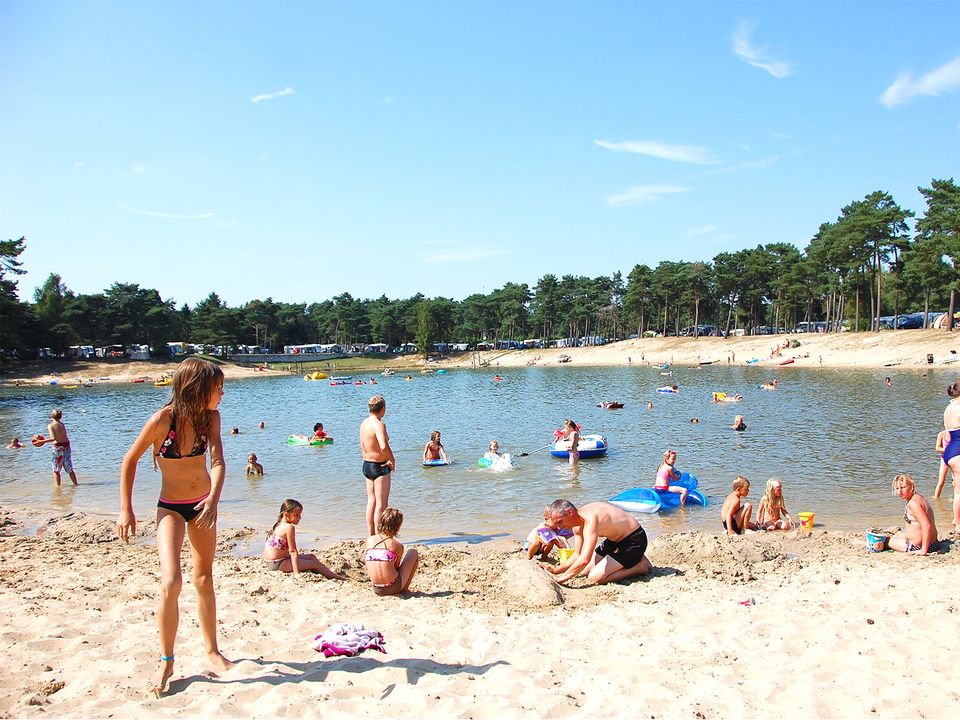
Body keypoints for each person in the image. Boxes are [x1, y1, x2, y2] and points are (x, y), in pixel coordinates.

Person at [115, 357, 233, 696]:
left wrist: (213, 499)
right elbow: (130, 460)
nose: (222, 393)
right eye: (218, 388)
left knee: (203, 577)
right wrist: (126, 510)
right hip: (169, 508)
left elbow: (218, 461)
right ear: (198, 389)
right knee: (171, 580)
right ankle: (167, 659)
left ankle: (212, 651)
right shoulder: (162, 420)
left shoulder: (211, 418)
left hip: (201, 506)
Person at [541, 499, 652, 585]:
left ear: (570, 512)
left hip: (634, 540)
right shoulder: (576, 525)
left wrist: (561, 578)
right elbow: (577, 555)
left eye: (560, 522)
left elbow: (584, 559)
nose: (560, 528)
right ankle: (634, 559)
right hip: (614, 541)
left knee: (594, 578)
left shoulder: (590, 520)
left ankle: (639, 567)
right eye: (557, 524)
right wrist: (556, 570)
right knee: (584, 571)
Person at [263, 499, 346, 577]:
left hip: (272, 563)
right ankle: (337, 577)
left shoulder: (278, 524)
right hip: (278, 564)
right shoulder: (289, 527)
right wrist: (296, 572)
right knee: (314, 564)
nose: (300, 518)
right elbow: (292, 551)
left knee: (311, 557)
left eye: (300, 515)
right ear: (286, 514)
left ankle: (328, 573)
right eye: (297, 515)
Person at [360, 395, 396, 537]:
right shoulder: (378, 424)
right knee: (381, 504)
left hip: (367, 464)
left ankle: (371, 535)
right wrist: (391, 460)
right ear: (383, 408)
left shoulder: (364, 423)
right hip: (380, 466)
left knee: (371, 501)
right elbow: (383, 446)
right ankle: (380, 535)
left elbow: (363, 444)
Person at [364, 507, 419, 596]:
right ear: (398, 527)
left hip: (376, 588)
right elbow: (396, 567)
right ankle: (405, 590)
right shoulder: (397, 546)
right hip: (393, 587)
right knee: (413, 553)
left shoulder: (369, 540)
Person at [888, 474, 937, 555]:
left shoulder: (913, 504)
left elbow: (926, 525)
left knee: (885, 541)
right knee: (897, 534)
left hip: (917, 547)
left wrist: (923, 550)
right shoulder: (919, 498)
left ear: (912, 486)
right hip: (933, 544)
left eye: (903, 487)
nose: (899, 492)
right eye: (897, 488)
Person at [34, 408, 78, 486]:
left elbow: (53, 438)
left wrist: (41, 441)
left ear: (51, 416)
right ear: (60, 417)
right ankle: (75, 484)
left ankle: (58, 487)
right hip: (67, 446)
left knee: (56, 469)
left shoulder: (50, 425)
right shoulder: (62, 424)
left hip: (58, 447)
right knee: (69, 468)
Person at [943, 381, 960, 531]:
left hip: (950, 450)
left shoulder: (948, 408)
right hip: (958, 449)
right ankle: (958, 524)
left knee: (957, 488)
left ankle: (956, 519)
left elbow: (947, 433)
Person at [934, 429, 950, 498]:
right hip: (944, 459)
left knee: (955, 482)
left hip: (955, 459)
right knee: (941, 482)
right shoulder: (941, 434)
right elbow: (937, 448)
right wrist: (948, 449)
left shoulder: (956, 434)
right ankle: (936, 498)